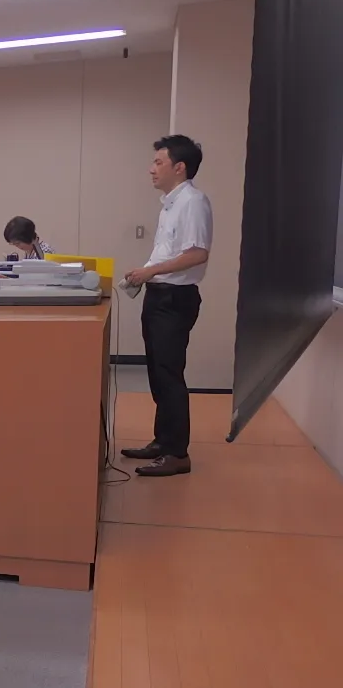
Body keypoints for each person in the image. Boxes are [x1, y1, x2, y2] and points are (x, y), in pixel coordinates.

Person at [121, 135, 214, 478]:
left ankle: (177, 454)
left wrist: (151, 271)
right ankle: (163, 441)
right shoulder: (170, 205)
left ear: (180, 167)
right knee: (158, 375)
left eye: (158, 163)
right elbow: (170, 252)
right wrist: (145, 274)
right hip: (158, 296)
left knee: (170, 376)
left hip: (175, 300)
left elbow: (196, 254)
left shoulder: (193, 202)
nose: (151, 169)